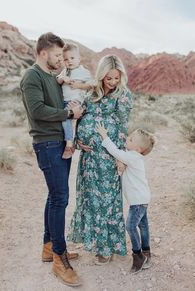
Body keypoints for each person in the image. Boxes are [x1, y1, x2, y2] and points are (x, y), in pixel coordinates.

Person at [20, 32, 83, 287]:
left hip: (59, 143)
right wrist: (68, 113)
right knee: (60, 198)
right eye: (57, 54)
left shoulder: (53, 77)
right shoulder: (32, 76)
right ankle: (60, 256)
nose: (60, 58)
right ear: (43, 53)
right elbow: (37, 111)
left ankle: (48, 247)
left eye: (62, 54)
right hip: (46, 144)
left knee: (54, 196)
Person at [67, 55, 133, 265]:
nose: (113, 82)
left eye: (116, 78)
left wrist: (121, 158)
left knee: (107, 201)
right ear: (101, 75)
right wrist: (78, 141)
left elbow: (123, 128)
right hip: (89, 158)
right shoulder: (93, 91)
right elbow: (82, 116)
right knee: (90, 200)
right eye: (108, 78)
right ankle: (94, 242)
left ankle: (107, 248)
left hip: (107, 156)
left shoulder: (123, 95)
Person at [96, 124, 155, 273]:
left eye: (131, 139)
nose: (127, 139)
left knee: (130, 226)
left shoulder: (132, 157)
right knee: (143, 225)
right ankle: (146, 252)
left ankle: (138, 256)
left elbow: (115, 152)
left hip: (138, 201)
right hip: (142, 198)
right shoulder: (134, 157)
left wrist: (104, 136)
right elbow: (122, 162)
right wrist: (120, 166)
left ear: (138, 148)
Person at [56, 43, 93, 159]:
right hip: (65, 101)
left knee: (65, 118)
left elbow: (92, 85)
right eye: (66, 59)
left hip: (76, 101)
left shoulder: (83, 72)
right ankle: (70, 142)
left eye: (72, 58)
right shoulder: (65, 71)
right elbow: (57, 81)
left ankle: (69, 145)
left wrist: (79, 85)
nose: (69, 61)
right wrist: (62, 79)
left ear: (79, 59)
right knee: (63, 120)